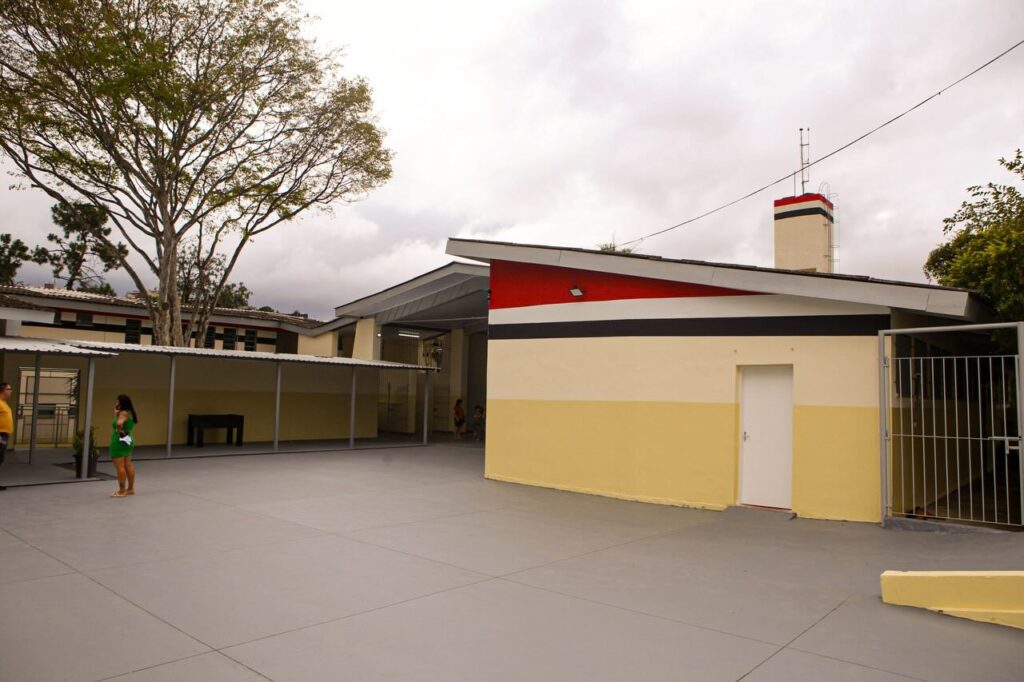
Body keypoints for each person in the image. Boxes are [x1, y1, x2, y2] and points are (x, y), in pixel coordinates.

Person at [109, 394, 138, 497]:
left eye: (118, 402)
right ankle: (130, 488)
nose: (116, 403)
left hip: (119, 441)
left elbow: (119, 423)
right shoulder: (130, 412)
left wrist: (119, 430)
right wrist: (116, 414)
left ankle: (122, 491)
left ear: (122, 403)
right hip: (128, 439)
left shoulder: (123, 413)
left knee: (120, 466)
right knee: (128, 464)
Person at [0, 381, 12, 491]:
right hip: (0, 435)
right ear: (2, 390)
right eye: (8, 389)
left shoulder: (4, 403)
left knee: (0, 458)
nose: (10, 391)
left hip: (4, 435)